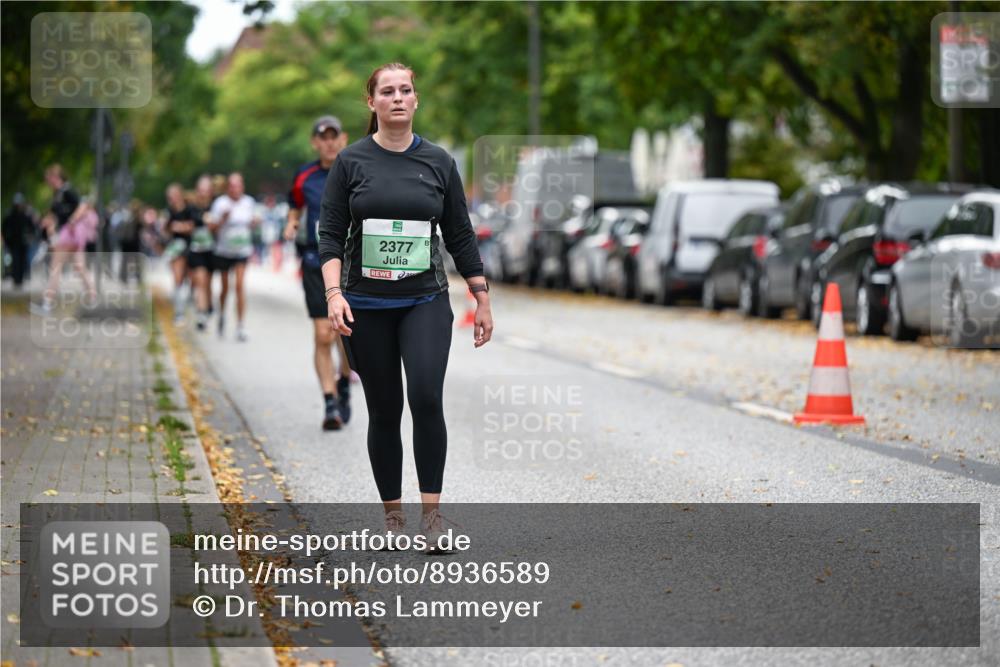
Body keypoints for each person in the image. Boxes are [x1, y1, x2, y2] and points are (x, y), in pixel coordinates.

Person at [318, 63, 494, 552]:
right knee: (384, 408)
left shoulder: (438, 161)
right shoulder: (350, 163)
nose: (398, 98)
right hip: (365, 305)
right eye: (387, 91)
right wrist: (335, 295)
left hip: (424, 300)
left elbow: (459, 232)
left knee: (426, 396)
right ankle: (393, 517)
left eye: (406, 90)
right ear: (371, 103)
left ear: (416, 101)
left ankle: (431, 518)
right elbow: (330, 235)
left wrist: (481, 297)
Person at [286, 115, 355, 430]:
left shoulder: (356, 169)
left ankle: (343, 380)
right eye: (322, 137)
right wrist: (291, 223)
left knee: (346, 335)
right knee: (322, 333)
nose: (328, 142)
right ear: (315, 142)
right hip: (315, 261)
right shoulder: (305, 176)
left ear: (343, 139)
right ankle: (330, 404)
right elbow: (295, 205)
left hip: (352, 264)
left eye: (334, 136)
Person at [40, 165, 95, 310]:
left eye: (49, 178)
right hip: (72, 236)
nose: (47, 181)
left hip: (69, 235)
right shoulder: (58, 193)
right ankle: (92, 297)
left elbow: (82, 206)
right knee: (80, 267)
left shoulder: (67, 191)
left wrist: (72, 221)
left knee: (56, 267)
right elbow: (54, 214)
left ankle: (48, 302)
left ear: (56, 177)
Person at [210, 172, 257, 341]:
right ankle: (222, 314)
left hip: (242, 251)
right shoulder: (220, 203)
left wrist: (254, 223)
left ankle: (241, 325)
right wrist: (222, 220)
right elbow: (212, 228)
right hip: (223, 251)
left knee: (239, 286)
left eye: (238, 185)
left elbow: (253, 223)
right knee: (224, 289)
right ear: (227, 187)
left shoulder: (249, 202)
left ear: (242, 187)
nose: (235, 189)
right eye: (232, 186)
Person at [189, 175, 217, 330]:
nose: (203, 193)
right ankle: (202, 314)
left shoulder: (216, 205)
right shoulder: (192, 207)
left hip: (211, 250)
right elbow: (191, 223)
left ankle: (208, 306)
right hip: (196, 250)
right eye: (201, 189)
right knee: (200, 281)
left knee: (207, 282)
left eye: (206, 190)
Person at [2, 194, 35, 288]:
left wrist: (30, 236)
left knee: (22, 259)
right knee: (15, 260)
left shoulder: (26, 215)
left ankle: (20, 278)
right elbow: (4, 228)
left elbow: (32, 227)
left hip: (23, 242)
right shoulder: (9, 215)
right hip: (13, 241)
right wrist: (6, 239)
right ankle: (16, 279)